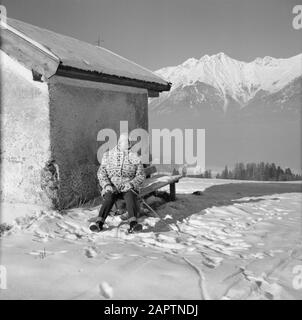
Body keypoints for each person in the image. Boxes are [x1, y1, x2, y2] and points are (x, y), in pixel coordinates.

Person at [89, 133, 145, 233]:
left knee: (130, 197)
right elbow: (101, 173)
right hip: (112, 186)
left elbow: (141, 175)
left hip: (127, 186)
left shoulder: (135, 156)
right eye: (125, 144)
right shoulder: (108, 155)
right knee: (109, 198)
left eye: (129, 145)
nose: (128, 147)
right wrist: (107, 185)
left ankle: (133, 224)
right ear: (119, 144)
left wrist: (130, 184)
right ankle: (99, 223)